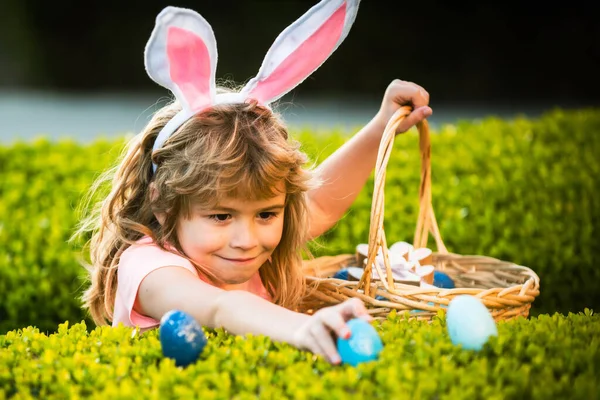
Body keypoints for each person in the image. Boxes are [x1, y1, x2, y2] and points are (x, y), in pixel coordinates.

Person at [75, 0, 431, 365]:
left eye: (266, 214)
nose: (247, 241)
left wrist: (380, 125)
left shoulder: (236, 249)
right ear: (165, 205)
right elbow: (219, 307)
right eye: (220, 216)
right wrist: (300, 328)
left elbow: (322, 203)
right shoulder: (149, 268)